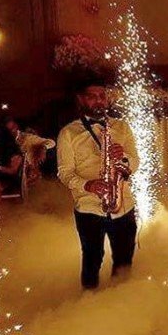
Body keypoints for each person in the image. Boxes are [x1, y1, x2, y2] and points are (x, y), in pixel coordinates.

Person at [57, 77, 139, 290]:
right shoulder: (68, 133)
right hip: (89, 207)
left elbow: (135, 162)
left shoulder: (122, 127)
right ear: (81, 99)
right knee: (92, 259)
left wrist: (123, 157)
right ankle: (89, 301)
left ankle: (121, 300)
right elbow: (64, 173)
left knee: (124, 259)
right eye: (92, 97)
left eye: (102, 96)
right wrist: (87, 185)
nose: (98, 101)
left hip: (123, 204)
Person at [4, 117, 56, 182]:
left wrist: (43, 148)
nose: (12, 131)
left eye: (13, 127)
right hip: (24, 177)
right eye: (9, 129)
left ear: (16, 126)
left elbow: (51, 142)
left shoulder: (28, 138)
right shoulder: (8, 143)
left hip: (35, 175)